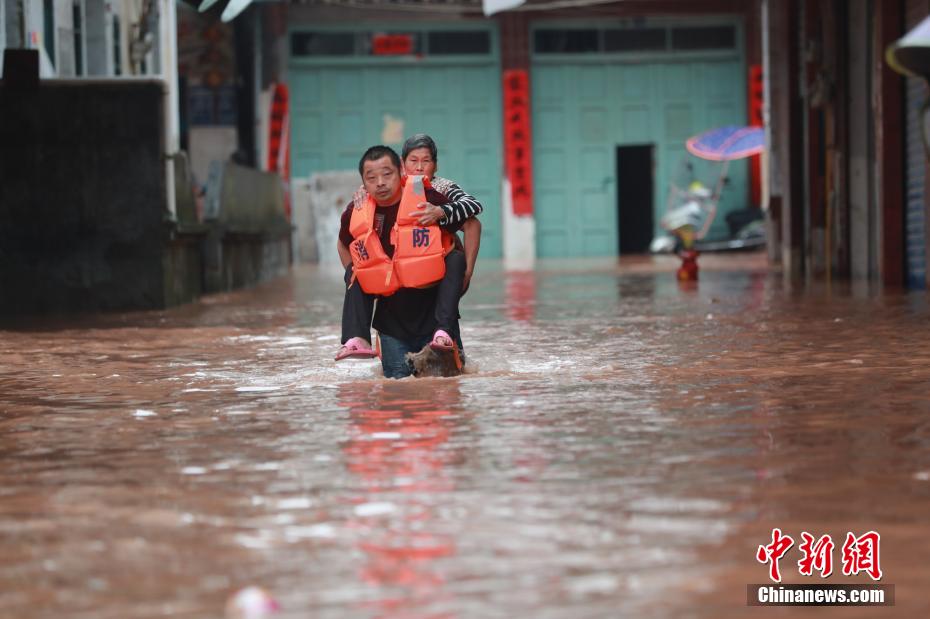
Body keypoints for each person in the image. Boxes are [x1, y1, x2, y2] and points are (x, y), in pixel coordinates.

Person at [336, 135, 483, 359]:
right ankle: (356, 338)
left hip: (434, 312)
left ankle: (444, 329)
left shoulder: (432, 193)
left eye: (387, 174)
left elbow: (473, 219)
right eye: (372, 177)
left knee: (449, 388)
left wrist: (467, 274)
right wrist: (365, 280)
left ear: (399, 172)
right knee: (397, 390)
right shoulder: (360, 204)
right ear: (404, 166)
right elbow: (343, 245)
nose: (380, 182)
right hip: (392, 318)